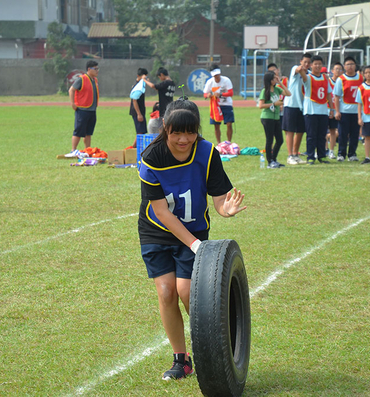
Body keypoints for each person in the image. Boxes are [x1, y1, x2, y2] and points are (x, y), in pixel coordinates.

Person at [138, 98, 247, 381]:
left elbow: (219, 197)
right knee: (166, 292)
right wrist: (194, 244)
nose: (183, 139)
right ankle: (181, 360)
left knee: (188, 292)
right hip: (156, 230)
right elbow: (161, 211)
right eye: (176, 133)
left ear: (197, 130)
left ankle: (214, 350)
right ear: (165, 128)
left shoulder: (208, 153)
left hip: (195, 230)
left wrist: (226, 209)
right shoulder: (151, 157)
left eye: (190, 132)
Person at [302, 55, 333, 165]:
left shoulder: (325, 78)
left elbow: (329, 94)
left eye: (320, 64)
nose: (318, 66)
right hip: (311, 111)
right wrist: (302, 67)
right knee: (311, 135)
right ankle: (310, 156)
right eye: (315, 64)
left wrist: (332, 108)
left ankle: (322, 156)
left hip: (323, 110)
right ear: (311, 65)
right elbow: (303, 76)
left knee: (322, 135)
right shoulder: (308, 77)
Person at [283, 53, 312, 165]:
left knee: (300, 131)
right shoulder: (295, 69)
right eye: (305, 62)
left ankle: (295, 154)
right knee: (290, 131)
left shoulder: (309, 74)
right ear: (301, 61)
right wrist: (302, 68)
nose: (306, 64)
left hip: (302, 106)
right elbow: (299, 69)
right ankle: (290, 155)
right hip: (291, 104)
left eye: (309, 63)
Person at [259, 70, 291, 168]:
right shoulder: (265, 91)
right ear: (269, 80)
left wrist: (280, 82)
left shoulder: (277, 89)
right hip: (267, 118)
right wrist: (274, 104)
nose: (275, 79)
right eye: (273, 78)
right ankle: (270, 162)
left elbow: (288, 93)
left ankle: (274, 159)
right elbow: (261, 105)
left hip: (276, 117)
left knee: (280, 140)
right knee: (270, 140)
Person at [67, 60, 99, 156]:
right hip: (82, 110)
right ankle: (73, 150)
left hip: (92, 110)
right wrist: (73, 103)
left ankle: (87, 150)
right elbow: (71, 90)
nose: (97, 71)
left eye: (98, 69)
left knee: (88, 132)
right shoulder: (82, 79)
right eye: (95, 69)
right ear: (89, 69)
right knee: (79, 130)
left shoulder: (95, 80)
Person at [334, 56, 362, 161]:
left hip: (356, 111)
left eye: (352, 64)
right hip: (344, 111)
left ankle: (352, 154)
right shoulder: (341, 79)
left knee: (355, 133)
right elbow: (336, 96)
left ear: (355, 66)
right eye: (347, 64)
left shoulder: (360, 78)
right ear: (344, 67)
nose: (350, 66)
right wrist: (337, 111)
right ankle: (341, 153)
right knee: (343, 134)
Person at [203, 64, 235, 143]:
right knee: (216, 125)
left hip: (227, 104)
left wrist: (221, 95)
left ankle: (228, 142)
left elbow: (231, 93)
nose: (217, 78)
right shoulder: (210, 82)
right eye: (215, 76)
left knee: (229, 124)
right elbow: (205, 94)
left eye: (218, 75)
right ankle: (219, 143)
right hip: (216, 106)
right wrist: (208, 95)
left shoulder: (226, 80)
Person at [326, 62, 342, 159]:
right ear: (332, 71)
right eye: (336, 69)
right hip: (327, 109)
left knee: (333, 130)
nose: (338, 71)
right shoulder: (328, 81)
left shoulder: (342, 82)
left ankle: (331, 151)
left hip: (337, 110)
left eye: (340, 69)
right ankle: (324, 149)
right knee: (323, 131)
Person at [130, 68, 148, 147]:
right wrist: (139, 114)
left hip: (140, 111)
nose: (145, 79)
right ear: (138, 76)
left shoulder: (141, 84)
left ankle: (136, 149)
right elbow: (134, 100)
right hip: (137, 112)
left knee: (142, 131)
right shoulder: (138, 86)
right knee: (140, 132)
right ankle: (131, 149)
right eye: (144, 77)